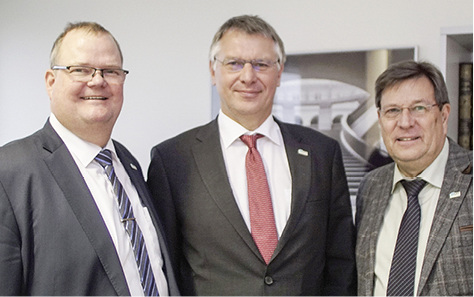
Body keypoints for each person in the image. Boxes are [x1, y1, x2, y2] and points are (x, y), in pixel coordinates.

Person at [147, 15, 356, 296]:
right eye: (234, 63)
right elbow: (165, 268)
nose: (248, 76)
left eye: (261, 64)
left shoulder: (322, 153)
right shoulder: (172, 160)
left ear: (279, 72)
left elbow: (340, 263)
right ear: (212, 71)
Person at [0, 22, 179, 296]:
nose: (97, 80)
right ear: (51, 82)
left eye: (110, 71)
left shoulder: (128, 164)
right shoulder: (10, 172)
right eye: (80, 69)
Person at [356, 60, 473, 296]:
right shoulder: (371, 187)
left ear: (443, 115)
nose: (405, 122)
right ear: (380, 119)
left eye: (419, 108)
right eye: (393, 111)